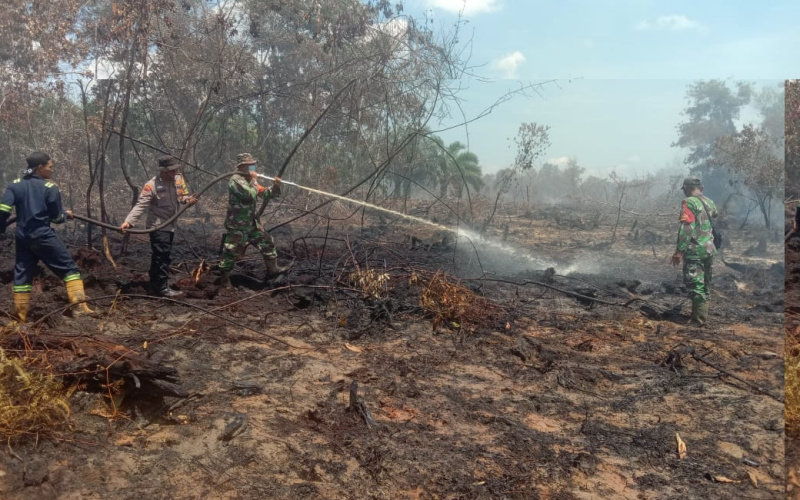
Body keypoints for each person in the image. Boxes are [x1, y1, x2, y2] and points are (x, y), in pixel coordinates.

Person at [0, 152, 93, 322]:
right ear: (39, 168)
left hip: (22, 237)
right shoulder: (50, 188)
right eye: (50, 167)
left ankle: (20, 316)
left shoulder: (14, 185)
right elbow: (56, 218)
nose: (52, 170)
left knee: (22, 275)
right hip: (42, 235)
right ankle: (80, 308)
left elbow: (3, 211)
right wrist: (66, 215)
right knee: (69, 269)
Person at [120, 156, 197, 297]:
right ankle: (161, 288)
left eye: (175, 170)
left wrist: (188, 200)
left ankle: (155, 283)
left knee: (162, 255)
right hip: (157, 226)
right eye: (171, 171)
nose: (174, 173)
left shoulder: (179, 180)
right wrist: (129, 221)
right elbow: (140, 205)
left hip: (170, 224)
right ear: (163, 171)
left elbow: (182, 197)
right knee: (161, 256)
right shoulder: (152, 185)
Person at [217, 153, 290, 287]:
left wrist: (276, 186)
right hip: (237, 225)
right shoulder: (236, 180)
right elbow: (248, 195)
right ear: (242, 166)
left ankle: (273, 269)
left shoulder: (251, 180)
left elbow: (267, 194)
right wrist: (253, 180)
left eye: (253, 164)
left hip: (251, 224)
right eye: (250, 165)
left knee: (267, 242)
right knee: (231, 251)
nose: (253, 167)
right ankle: (224, 279)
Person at [671, 177, 718, 326]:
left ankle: (698, 321)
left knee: (695, 284)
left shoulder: (689, 202)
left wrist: (679, 251)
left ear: (685, 188)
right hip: (709, 249)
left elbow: (687, 227)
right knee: (705, 284)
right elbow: (715, 214)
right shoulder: (709, 201)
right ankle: (701, 316)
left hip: (695, 250)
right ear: (701, 188)